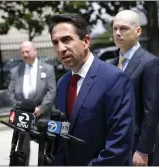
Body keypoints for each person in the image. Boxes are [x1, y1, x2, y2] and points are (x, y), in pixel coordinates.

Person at [49, 13, 135, 166]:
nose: (60, 48)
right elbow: (62, 135)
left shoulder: (114, 79)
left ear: (86, 41)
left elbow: (119, 146)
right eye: (55, 42)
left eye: (66, 39)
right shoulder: (62, 84)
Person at [112, 10, 159, 166]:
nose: (118, 33)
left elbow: (152, 112)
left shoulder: (151, 63)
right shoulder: (111, 64)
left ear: (138, 31)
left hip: (139, 150)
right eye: (115, 28)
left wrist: (143, 150)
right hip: (116, 147)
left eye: (123, 28)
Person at [7, 41, 56, 165]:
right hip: (23, 116)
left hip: (42, 115)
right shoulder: (15, 71)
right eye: (22, 52)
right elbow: (10, 93)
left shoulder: (48, 69)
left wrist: (40, 109)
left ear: (35, 51)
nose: (25, 54)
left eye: (27, 51)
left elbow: (51, 91)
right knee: (21, 151)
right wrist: (20, 108)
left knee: (45, 151)